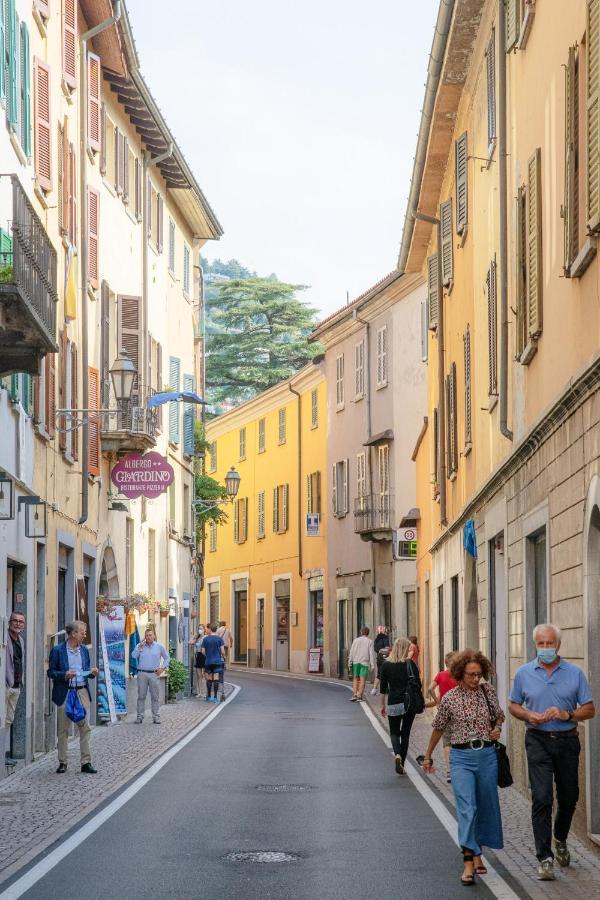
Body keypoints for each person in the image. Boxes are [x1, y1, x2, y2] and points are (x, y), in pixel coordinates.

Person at [509, 623, 595, 881]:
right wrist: (528, 714)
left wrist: (567, 713)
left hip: (567, 741)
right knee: (542, 798)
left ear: (558, 645)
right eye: (541, 644)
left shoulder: (575, 673)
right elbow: (513, 705)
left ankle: (560, 837)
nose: (546, 648)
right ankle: (544, 858)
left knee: (569, 798)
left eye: (550, 644)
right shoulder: (524, 673)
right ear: (535, 644)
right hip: (537, 740)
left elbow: (590, 709)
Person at [422, 649, 504, 886]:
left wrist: (497, 728)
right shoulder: (450, 698)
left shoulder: (487, 692)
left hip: (487, 755)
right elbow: (437, 728)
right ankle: (468, 860)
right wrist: (428, 756)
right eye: (471, 675)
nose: (475, 679)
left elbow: (499, 715)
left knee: (485, 805)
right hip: (461, 758)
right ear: (460, 674)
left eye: (479, 674)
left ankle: (478, 852)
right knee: (467, 807)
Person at [47, 620, 99, 774]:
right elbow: (50, 672)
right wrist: (64, 675)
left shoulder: (84, 650)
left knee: (85, 728)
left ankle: (86, 762)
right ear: (74, 634)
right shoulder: (57, 650)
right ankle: (63, 762)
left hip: (81, 691)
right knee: (63, 729)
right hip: (65, 692)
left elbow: (86, 671)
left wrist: (92, 672)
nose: (84, 635)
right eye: (82, 632)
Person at [379, 637, 421, 775]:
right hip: (409, 703)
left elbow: (383, 688)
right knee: (406, 734)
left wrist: (382, 705)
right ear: (405, 649)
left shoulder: (386, 665)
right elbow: (418, 684)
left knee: (394, 733)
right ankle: (402, 762)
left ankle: (397, 754)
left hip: (394, 702)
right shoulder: (410, 664)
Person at [428, 652, 458, 783]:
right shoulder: (460, 676)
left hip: (444, 710)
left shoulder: (441, 675)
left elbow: (430, 688)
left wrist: (437, 701)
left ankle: (449, 771)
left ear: (445, 663)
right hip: (458, 710)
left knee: (447, 742)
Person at [131, 627, 170, 724]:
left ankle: (156, 717)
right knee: (141, 696)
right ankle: (140, 717)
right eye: (146, 635)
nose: (148, 637)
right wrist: (139, 647)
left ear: (154, 636)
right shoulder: (140, 646)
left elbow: (167, 658)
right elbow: (133, 656)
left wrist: (162, 668)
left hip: (154, 674)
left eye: (150, 635)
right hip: (142, 673)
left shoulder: (159, 646)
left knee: (155, 697)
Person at [5, 611, 25, 764]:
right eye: (15, 620)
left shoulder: (21, 640)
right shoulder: (4, 638)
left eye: (21, 622)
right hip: (5, 685)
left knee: (9, 719)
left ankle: (4, 753)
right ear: (9, 622)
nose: (18, 624)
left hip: (16, 686)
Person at [348, 626, 376, 702]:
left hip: (356, 662)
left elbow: (351, 652)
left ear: (361, 632)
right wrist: (372, 665)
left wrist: (349, 662)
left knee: (355, 679)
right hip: (364, 662)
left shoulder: (355, 640)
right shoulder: (370, 641)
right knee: (362, 679)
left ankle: (355, 694)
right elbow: (371, 654)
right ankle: (360, 695)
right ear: (368, 633)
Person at [201, 623, 225, 703]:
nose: (206, 630)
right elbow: (222, 651)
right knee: (216, 679)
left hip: (208, 661)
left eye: (207, 629)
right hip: (217, 662)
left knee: (209, 679)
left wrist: (208, 655)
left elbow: (203, 651)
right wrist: (223, 656)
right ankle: (215, 697)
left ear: (210, 629)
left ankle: (208, 696)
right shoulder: (219, 639)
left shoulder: (205, 639)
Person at [370, 625, 391, 696]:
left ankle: (374, 689)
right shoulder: (385, 638)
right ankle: (385, 689)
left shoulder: (376, 640)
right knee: (387, 674)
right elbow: (387, 648)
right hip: (385, 658)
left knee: (379, 674)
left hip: (379, 658)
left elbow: (375, 649)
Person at [190, 626, 206, 697]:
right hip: (198, 656)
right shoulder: (197, 638)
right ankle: (199, 692)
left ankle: (205, 691)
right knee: (199, 675)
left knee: (205, 675)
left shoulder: (205, 637)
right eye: (199, 628)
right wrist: (194, 637)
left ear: (204, 629)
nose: (200, 630)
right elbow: (190, 642)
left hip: (204, 655)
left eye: (201, 628)